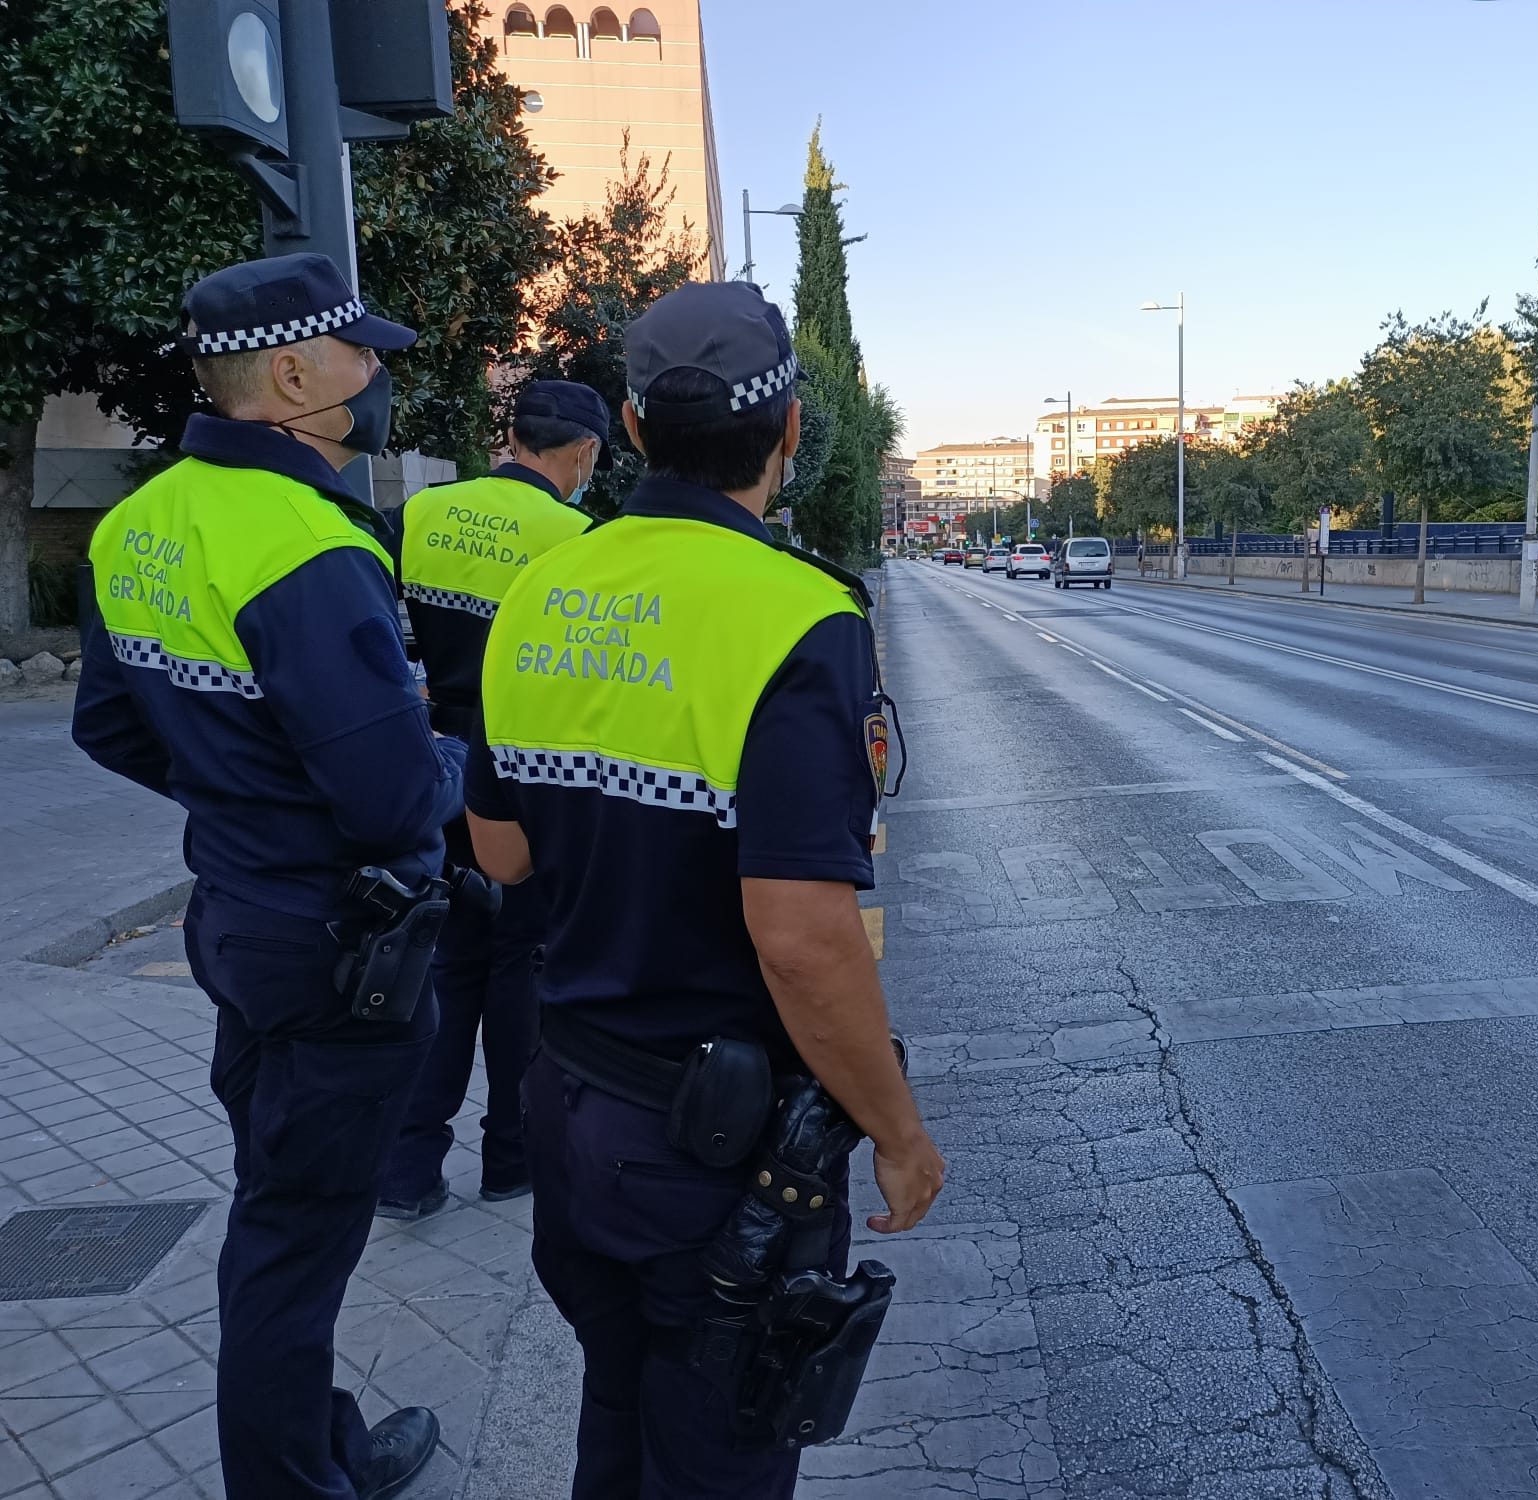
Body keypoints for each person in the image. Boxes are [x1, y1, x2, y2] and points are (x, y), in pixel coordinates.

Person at [463, 281, 946, 1498]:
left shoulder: (539, 592)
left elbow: (500, 854)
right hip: (711, 1161)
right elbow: (798, 940)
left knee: (618, 1427)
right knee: (719, 1456)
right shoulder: (798, 617)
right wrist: (897, 1132)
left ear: (630, 430)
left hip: (570, 1108)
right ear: (789, 431)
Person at [70, 253, 464, 1499]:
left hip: (240, 920)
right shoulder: (303, 539)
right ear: (293, 375)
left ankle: (313, 1438)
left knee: (277, 1201)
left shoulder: (138, 522)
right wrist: (452, 759)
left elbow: (109, 727)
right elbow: (393, 795)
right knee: (294, 1238)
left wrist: (235, 802)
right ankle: (294, 1480)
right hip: (339, 942)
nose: (380, 375)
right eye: (364, 354)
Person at [376, 381, 603, 1219]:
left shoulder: (424, 515)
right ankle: (513, 1158)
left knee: (441, 963)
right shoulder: (580, 538)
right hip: (523, 777)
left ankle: (407, 1172)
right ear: (582, 454)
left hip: (431, 762)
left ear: (508, 435)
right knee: (520, 968)